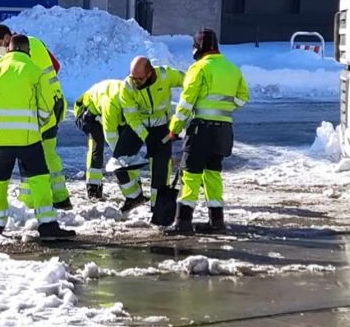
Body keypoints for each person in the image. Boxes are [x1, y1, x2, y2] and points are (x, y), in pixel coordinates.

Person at [0, 35, 75, 240]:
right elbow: (46, 107)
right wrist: (39, 127)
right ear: (27, 51)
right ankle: (47, 225)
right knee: (39, 179)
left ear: (9, 49)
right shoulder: (34, 71)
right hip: (28, 139)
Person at [165, 29, 249, 235]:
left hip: (201, 130)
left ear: (197, 49)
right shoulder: (232, 69)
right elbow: (242, 97)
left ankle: (183, 222)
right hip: (224, 131)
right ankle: (216, 220)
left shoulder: (198, 69)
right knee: (213, 174)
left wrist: (174, 129)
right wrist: (224, 110)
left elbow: (185, 104)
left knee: (190, 174)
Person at [120, 57, 185, 203]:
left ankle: (157, 206)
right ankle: (134, 197)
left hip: (162, 128)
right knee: (119, 161)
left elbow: (188, 81)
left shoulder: (165, 75)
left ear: (149, 73)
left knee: (160, 169)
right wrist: (146, 137)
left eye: (139, 79)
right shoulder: (128, 86)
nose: (135, 82)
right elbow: (131, 118)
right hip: (139, 127)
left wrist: (187, 107)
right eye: (133, 78)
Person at [73, 79, 146, 210]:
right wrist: (120, 157)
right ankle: (93, 189)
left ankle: (136, 190)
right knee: (98, 144)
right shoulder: (111, 104)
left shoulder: (134, 99)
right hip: (88, 112)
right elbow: (111, 135)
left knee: (129, 151)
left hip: (110, 111)